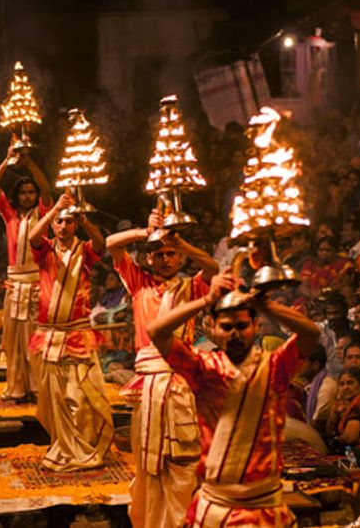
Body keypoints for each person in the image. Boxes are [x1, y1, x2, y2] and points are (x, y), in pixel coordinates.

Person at [148, 273, 320, 527]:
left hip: (265, 508)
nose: (234, 334)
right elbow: (156, 331)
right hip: (214, 507)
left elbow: (310, 334)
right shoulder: (203, 369)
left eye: (242, 326)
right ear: (212, 328)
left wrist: (266, 305)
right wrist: (206, 299)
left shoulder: (275, 366)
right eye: (227, 327)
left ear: (256, 326)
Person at [106, 209, 217, 528]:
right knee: (147, 464)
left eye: (172, 254)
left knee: (182, 461)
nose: (166, 259)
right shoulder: (139, 283)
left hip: (181, 385)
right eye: (160, 254)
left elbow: (214, 268)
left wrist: (178, 239)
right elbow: (112, 244)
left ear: (181, 258)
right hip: (147, 386)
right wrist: (146, 232)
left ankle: (179, 521)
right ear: (149, 259)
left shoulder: (191, 287)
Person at [28, 193, 112, 471]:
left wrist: (84, 218)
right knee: (55, 398)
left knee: (79, 395)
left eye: (69, 222)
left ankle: (83, 448)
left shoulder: (84, 251)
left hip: (77, 332)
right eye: (59, 223)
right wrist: (55, 210)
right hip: (50, 334)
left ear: (76, 225)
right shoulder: (45, 250)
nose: (63, 227)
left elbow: (101, 243)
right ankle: (62, 446)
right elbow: (32, 236)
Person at [0, 139, 52, 401]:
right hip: (14, 284)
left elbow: (47, 189)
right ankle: (17, 386)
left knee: (36, 337)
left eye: (31, 192)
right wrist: (7, 159)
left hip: (37, 283)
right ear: (17, 196)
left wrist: (29, 163)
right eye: (23, 192)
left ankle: (37, 387)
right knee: (14, 340)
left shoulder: (44, 214)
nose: (27, 196)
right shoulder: (9, 215)